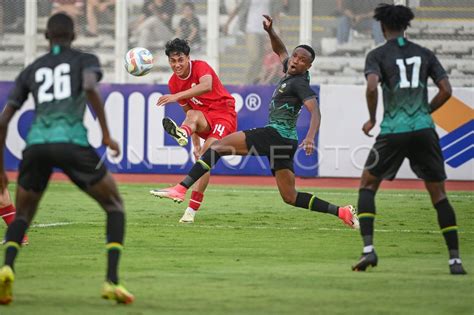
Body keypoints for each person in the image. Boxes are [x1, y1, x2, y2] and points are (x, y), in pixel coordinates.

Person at [151, 16, 359, 230]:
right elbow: (280, 51)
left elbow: (315, 111)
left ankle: (181, 188)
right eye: (295, 56)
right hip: (286, 143)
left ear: (309, 66)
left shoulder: (299, 83)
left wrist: (310, 137)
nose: (295, 60)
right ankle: (342, 212)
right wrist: (270, 32)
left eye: (301, 60)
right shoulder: (290, 69)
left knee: (217, 148)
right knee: (290, 196)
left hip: (276, 135)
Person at [0, 13, 134, 305]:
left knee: (22, 214)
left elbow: (3, 121)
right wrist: (107, 134)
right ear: (74, 36)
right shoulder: (85, 60)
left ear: (46, 37)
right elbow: (89, 87)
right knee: (114, 206)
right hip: (71, 143)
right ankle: (112, 281)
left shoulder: (32, 69)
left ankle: (7, 267)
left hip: (35, 145)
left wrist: (0, 170)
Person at [351, 4, 467, 275]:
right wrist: (426, 111)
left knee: (367, 185)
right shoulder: (425, 54)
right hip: (424, 129)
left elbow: (371, 86)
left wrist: (372, 118)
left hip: (393, 129)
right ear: (406, 26)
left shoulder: (377, 54)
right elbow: (446, 90)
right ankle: (455, 261)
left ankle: (368, 251)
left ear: (382, 27)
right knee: (438, 194)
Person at [149, 38, 237, 224]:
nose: (177, 64)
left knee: (206, 158)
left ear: (188, 58)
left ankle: (190, 211)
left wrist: (175, 97)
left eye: (180, 59)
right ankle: (183, 133)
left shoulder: (200, 67)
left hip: (224, 114)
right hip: (202, 119)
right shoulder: (174, 83)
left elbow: (207, 86)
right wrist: (195, 144)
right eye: (172, 61)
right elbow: (189, 113)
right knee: (194, 116)